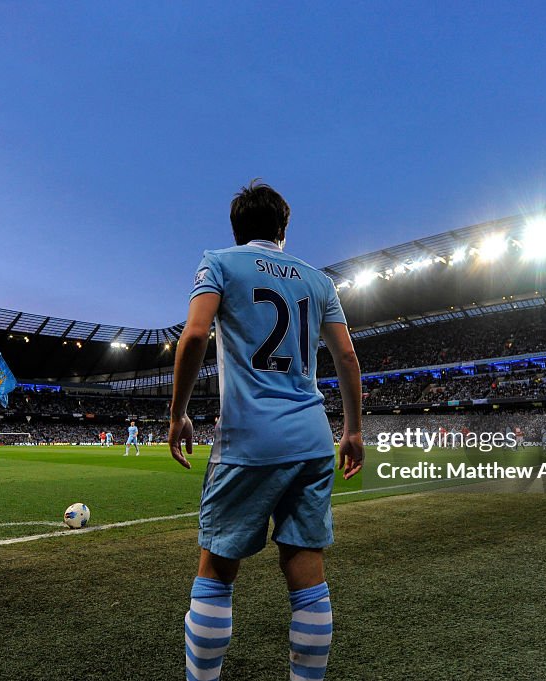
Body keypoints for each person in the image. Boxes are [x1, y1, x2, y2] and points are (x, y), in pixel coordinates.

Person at [168, 181, 364, 681]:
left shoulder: (219, 262)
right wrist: (353, 430)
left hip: (249, 439)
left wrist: (178, 414)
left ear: (236, 230)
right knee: (307, 574)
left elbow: (194, 334)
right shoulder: (318, 281)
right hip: (313, 438)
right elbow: (346, 356)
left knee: (216, 573)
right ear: (283, 228)